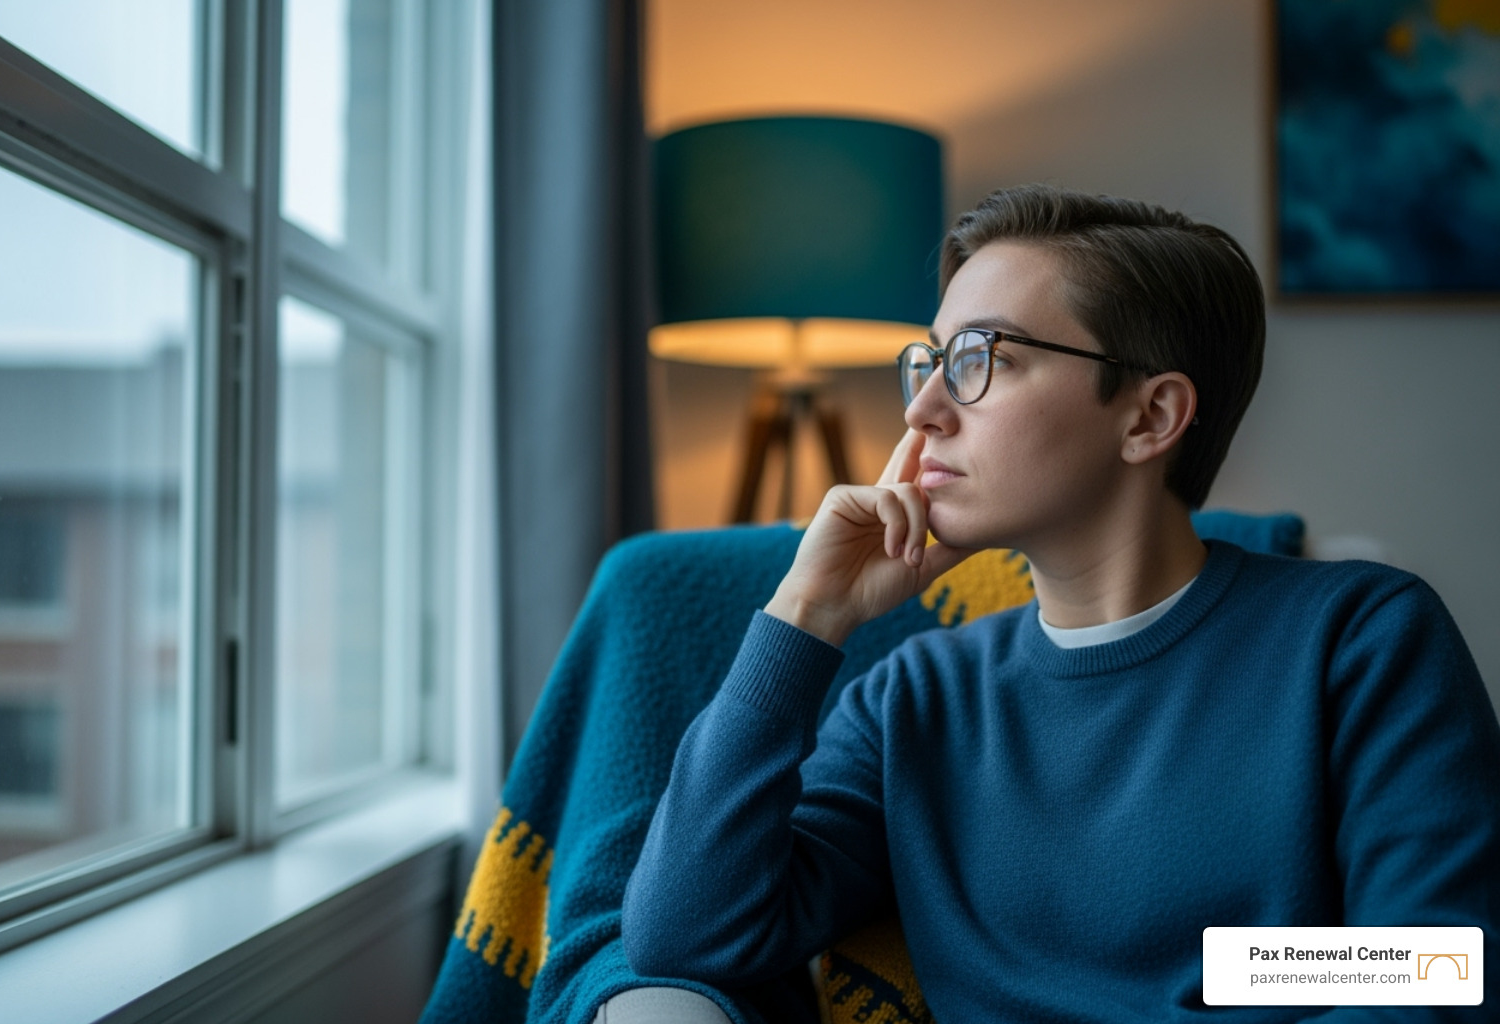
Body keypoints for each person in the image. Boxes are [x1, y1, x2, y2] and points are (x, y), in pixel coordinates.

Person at [619, 184, 1500, 1021]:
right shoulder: (914, 701)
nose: (923, 408)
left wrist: (1243, 961)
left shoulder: (1360, 639)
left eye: (980, 360)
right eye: (927, 361)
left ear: (1151, 417)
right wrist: (803, 620)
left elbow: (1442, 965)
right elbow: (689, 935)